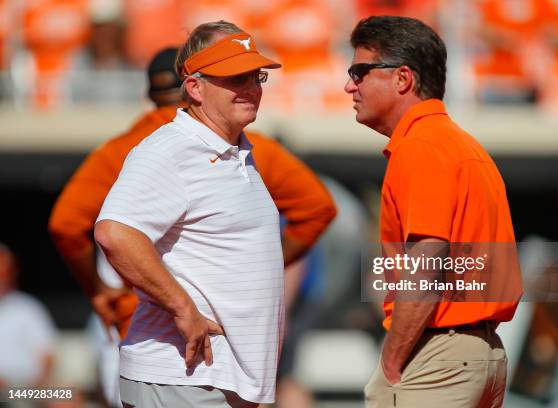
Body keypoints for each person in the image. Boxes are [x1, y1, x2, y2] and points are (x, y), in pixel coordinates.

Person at [49, 43, 336, 406]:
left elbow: (65, 224)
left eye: (254, 77)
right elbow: (318, 208)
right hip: (179, 348)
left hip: (144, 321)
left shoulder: (123, 147)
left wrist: (100, 292)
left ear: (149, 93)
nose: (250, 88)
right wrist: (251, 274)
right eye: (236, 78)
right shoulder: (202, 142)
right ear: (193, 87)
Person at [344, 16, 521, 407]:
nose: (349, 85)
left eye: (359, 71)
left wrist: (392, 360)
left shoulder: (422, 146)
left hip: (438, 354)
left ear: (402, 79)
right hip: (479, 352)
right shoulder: (461, 144)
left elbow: (427, 261)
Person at [0, 243, 57, 389]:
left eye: (5, 272)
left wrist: (38, 385)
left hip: (26, 390)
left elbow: (48, 356)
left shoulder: (29, 308)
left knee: (67, 396)